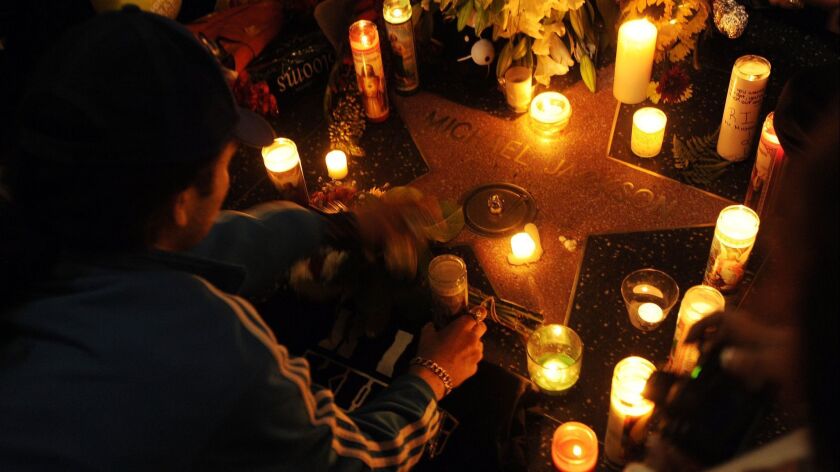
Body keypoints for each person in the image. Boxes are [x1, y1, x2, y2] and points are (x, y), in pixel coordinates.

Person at [0, 7, 485, 470]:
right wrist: (434, 373)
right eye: (225, 162)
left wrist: (346, 228)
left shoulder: (62, 229)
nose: (229, 179)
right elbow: (351, 462)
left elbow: (208, 245)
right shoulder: (209, 344)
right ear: (181, 199)